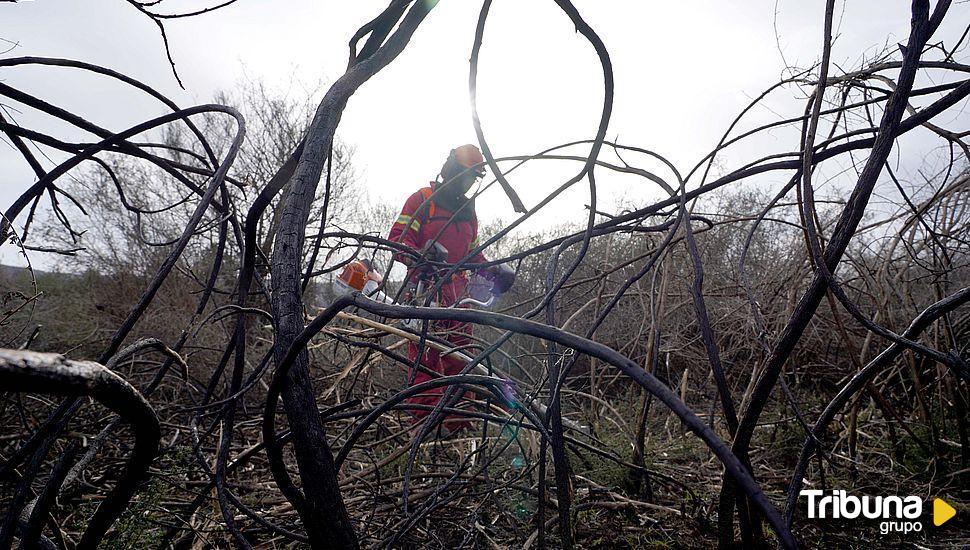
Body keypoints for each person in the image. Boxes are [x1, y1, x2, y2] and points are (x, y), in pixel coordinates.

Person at [387, 144, 514, 435]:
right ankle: (425, 428)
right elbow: (398, 241)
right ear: (452, 170)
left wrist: (493, 271)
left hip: (459, 299)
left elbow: (472, 256)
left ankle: (457, 426)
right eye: (466, 175)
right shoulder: (422, 200)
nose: (468, 183)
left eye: (474, 178)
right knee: (425, 361)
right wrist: (422, 256)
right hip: (424, 294)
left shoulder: (468, 213)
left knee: (461, 360)